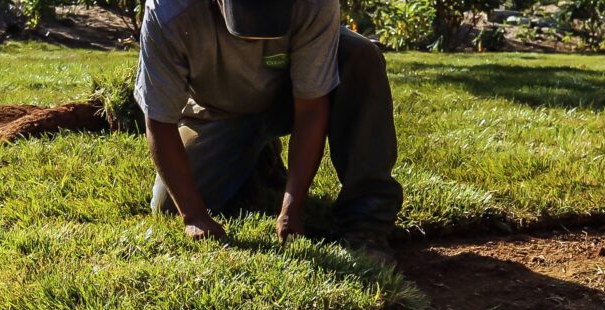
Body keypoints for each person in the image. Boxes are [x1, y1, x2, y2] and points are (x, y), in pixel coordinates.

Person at [134, 0, 404, 264]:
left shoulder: (315, 5)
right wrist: (194, 216)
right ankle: (260, 160)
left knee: (359, 54)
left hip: (290, 97)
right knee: (169, 206)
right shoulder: (169, 12)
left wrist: (292, 206)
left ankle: (367, 219)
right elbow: (160, 121)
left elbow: (311, 110)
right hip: (219, 111)